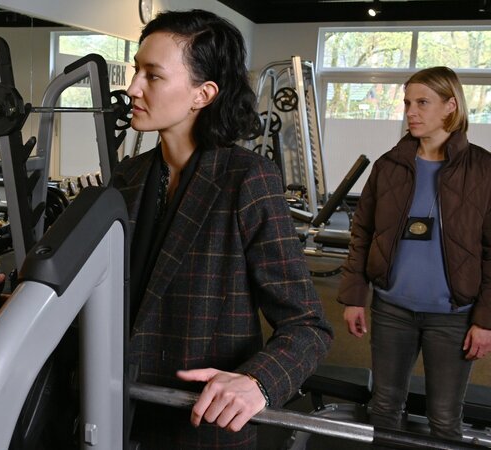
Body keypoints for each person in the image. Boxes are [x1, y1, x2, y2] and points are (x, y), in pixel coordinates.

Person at [111, 9, 333, 448]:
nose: (133, 88)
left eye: (152, 76)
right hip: (117, 415)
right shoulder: (127, 178)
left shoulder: (246, 179)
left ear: (203, 94)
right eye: (136, 70)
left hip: (198, 426)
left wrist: (259, 383)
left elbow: (308, 325)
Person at [338, 66, 491, 441]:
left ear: (450, 107)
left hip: (453, 316)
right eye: (408, 102)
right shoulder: (388, 166)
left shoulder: (484, 169)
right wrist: (355, 297)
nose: (411, 112)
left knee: (444, 419)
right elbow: (362, 233)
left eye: (422, 102)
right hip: (392, 310)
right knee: (385, 408)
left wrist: (485, 319)